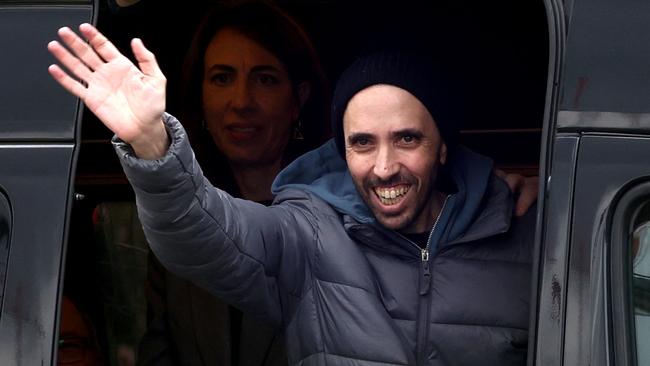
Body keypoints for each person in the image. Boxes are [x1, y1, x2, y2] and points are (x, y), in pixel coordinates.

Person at [48, 23, 537, 366]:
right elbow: (206, 233)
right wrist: (152, 142)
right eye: (362, 143)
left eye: (407, 138)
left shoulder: (523, 232)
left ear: (443, 147)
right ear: (341, 152)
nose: (385, 167)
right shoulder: (311, 232)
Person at [134, 2, 328, 365]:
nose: (241, 102)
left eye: (264, 78)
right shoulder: (182, 222)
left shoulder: (339, 221)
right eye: (222, 78)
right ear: (201, 95)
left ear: (298, 99)